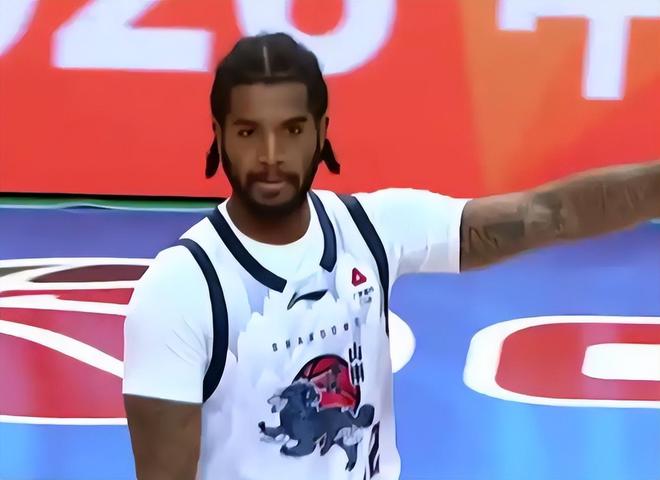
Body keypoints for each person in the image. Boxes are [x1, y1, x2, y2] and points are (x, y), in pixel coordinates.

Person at [122, 32, 659, 480]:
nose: (270, 155)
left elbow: (548, 213)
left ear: (322, 132)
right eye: (247, 132)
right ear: (219, 136)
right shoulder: (180, 289)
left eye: (292, 130)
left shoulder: (371, 230)